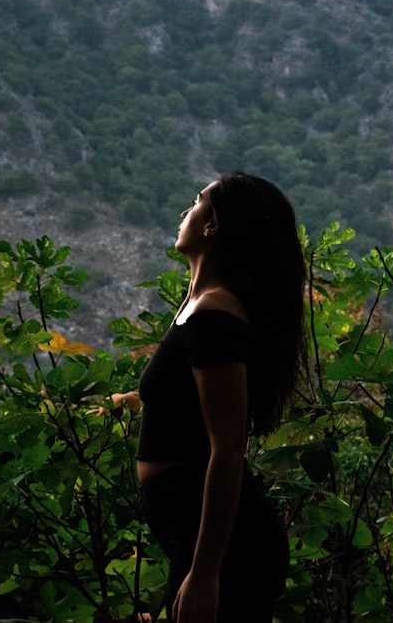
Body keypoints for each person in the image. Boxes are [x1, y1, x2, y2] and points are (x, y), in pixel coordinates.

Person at [107, 171, 306, 622]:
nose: (185, 212)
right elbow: (186, 398)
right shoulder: (202, 305)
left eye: (196, 202)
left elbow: (229, 447)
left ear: (213, 225)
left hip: (227, 551)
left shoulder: (215, 314)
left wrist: (204, 573)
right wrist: (121, 402)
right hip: (195, 533)